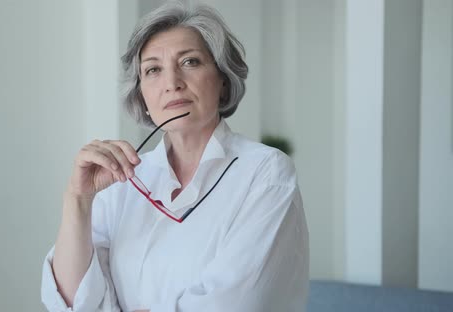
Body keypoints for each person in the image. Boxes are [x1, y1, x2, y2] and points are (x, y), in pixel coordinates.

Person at [41, 2, 309, 311]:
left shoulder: (266, 173)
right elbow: (73, 302)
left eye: (190, 62)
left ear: (223, 80)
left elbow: (237, 303)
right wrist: (77, 199)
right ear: (141, 94)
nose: (171, 83)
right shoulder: (122, 180)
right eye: (153, 70)